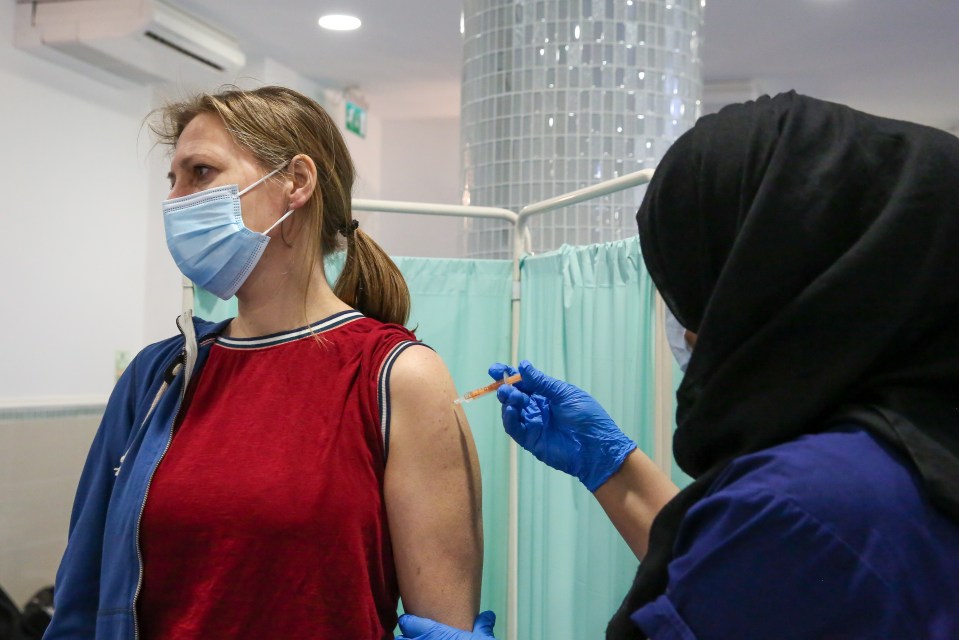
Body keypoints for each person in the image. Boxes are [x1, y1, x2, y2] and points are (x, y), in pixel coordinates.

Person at [394, 91, 959, 640]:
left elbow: (750, 569)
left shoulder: (813, 504)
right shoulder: (914, 444)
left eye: (695, 291)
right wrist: (610, 464)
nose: (686, 330)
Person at [44, 86, 483, 640]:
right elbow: (81, 598)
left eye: (200, 173)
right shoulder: (159, 378)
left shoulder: (394, 376)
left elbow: (441, 624)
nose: (176, 200)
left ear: (296, 183)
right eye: (172, 181)